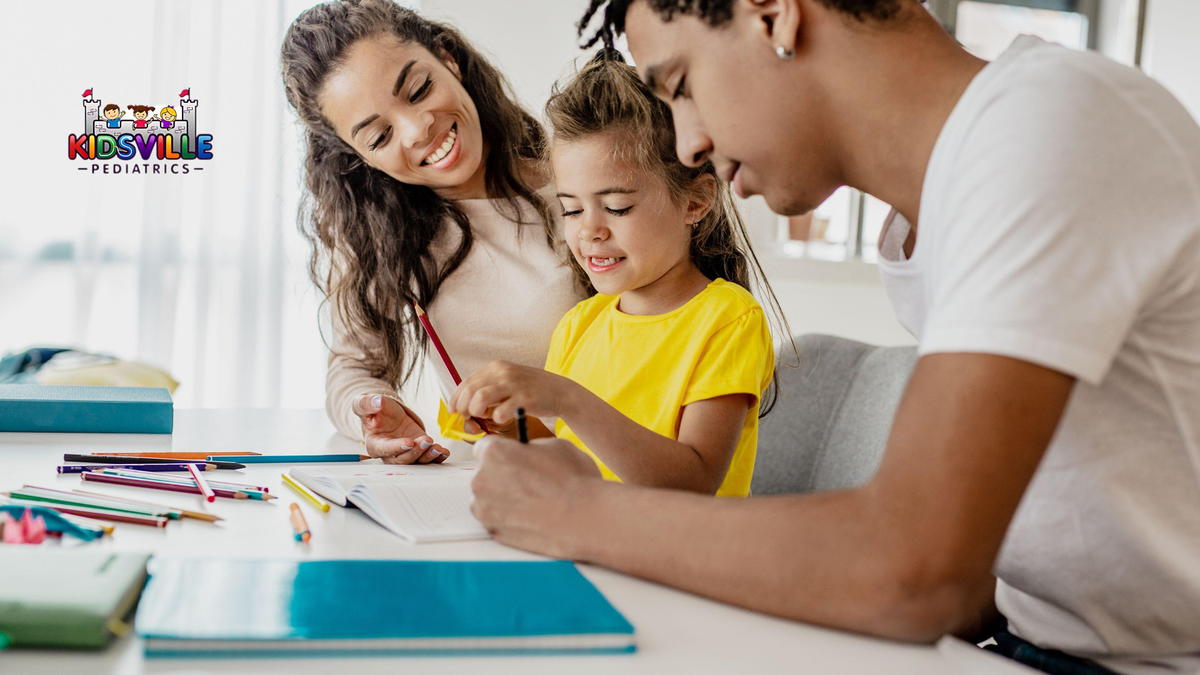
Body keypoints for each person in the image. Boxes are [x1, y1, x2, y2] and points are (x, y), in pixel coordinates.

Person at [468, 1, 1200, 673]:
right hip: (1020, 642)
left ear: (773, 15)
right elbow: (987, 562)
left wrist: (575, 512)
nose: (689, 142)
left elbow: (918, 567)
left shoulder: (1047, 129)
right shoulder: (928, 217)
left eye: (682, 85)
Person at [448, 52, 782, 496]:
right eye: (570, 208)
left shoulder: (728, 320)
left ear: (695, 202)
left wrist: (567, 397)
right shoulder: (580, 324)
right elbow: (579, 465)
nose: (589, 230)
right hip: (593, 542)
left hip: (678, 559)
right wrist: (505, 428)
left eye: (617, 207)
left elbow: (693, 482)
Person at [280, 0, 584, 463]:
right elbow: (355, 367)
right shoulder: (382, 235)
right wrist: (373, 414)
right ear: (359, 158)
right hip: (500, 484)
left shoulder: (582, 187)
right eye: (379, 137)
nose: (417, 130)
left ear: (448, 59)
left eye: (419, 90)